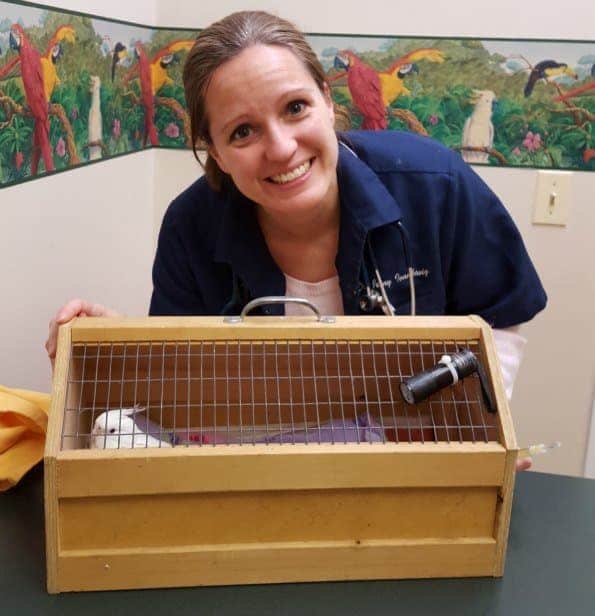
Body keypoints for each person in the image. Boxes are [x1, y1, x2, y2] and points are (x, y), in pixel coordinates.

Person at [46, 11, 545, 469]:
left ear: (328, 101)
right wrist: (118, 347)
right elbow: (183, 384)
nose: (282, 149)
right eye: (242, 132)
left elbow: (497, 318)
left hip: (415, 464)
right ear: (215, 153)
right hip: (265, 473)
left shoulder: (435, 185)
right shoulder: (190, 227)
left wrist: (474, 435)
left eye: (295, 107)